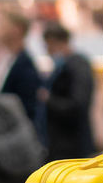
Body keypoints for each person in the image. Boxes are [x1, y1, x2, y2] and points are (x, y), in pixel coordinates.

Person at [39, 22, 96, 162]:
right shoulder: (63, 66)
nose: (48, 51)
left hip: (73, 144)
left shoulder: (77, 65)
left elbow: (78, 104)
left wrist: (49, 100)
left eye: (49, 46)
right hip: (61, 143)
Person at [0, 12, 42, 131]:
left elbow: (27, 111)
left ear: (16, 29)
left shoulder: (25, 65)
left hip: (12, 138)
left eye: (2, 24)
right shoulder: (9, 60)